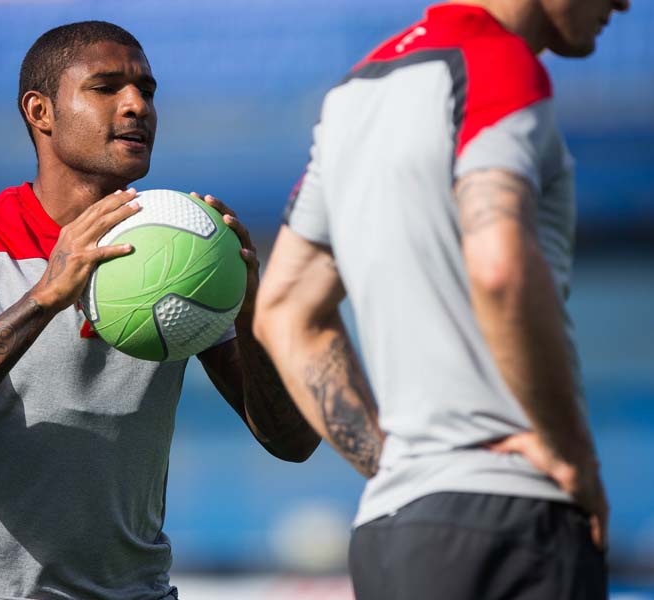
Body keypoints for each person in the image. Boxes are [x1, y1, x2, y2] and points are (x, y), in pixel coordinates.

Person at [0, 21, 319, 600]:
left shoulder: (184, 246)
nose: (137, 105)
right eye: (106, 88)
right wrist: (44, 298)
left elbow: (292, 441)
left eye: (147, 91)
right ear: (41, 112)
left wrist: (248, 314)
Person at [254, 0, 630, 598]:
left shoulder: (355, 91)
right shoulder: (500, 62)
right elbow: (500, 265)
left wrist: (400, 465)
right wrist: (572, 458)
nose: (625, 3)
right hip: (511, 522)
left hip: (390, 532)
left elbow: (283, 309)